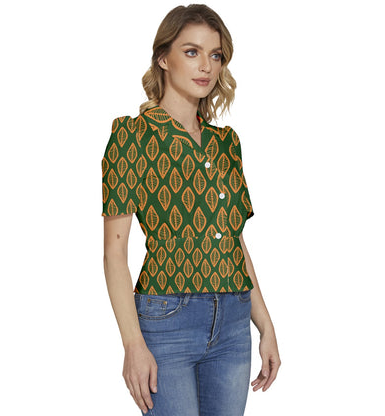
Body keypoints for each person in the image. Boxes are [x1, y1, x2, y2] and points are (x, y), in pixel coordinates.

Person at [101, 4, 281, 415]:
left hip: (233, 322)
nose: (206, 66)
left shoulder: (226, 143)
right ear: (163, 59)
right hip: (167, 321)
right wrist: (132, 345)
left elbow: (233, 243)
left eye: (215, 55)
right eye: (191, 52)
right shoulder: (132, 137)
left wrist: (265, 325)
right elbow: (114, 254)